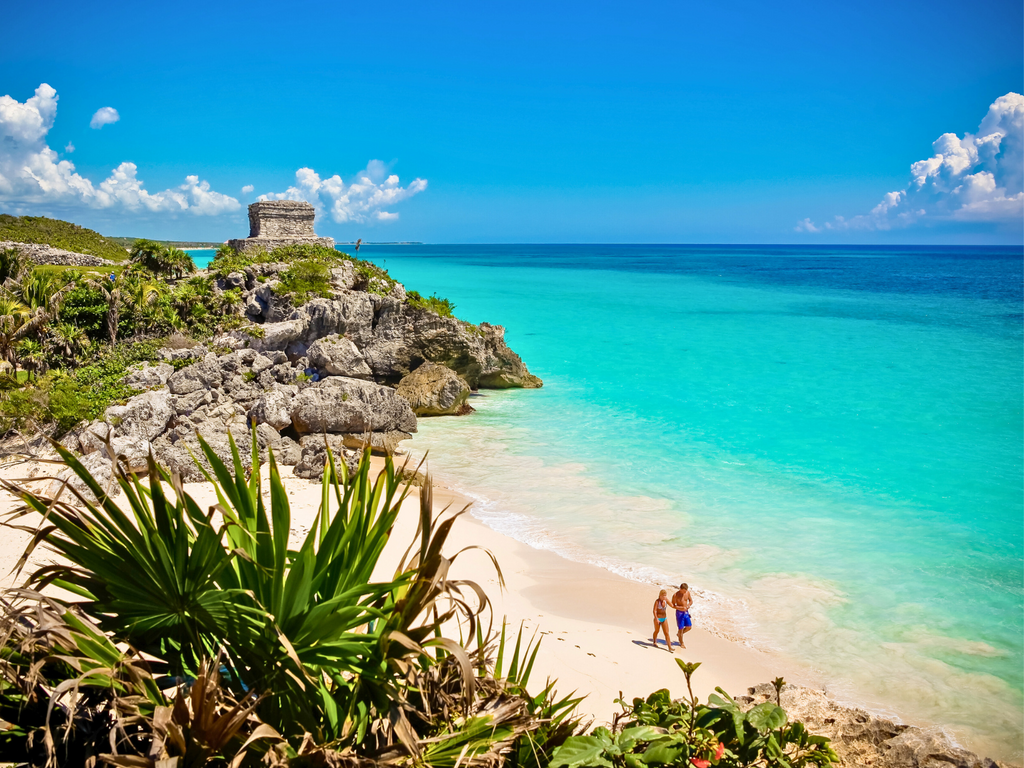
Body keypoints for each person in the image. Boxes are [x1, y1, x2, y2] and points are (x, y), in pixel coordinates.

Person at [671, 582, 694, 649]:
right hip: (679, 613)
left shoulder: (687, 593)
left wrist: (689, 605)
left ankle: (679, 634)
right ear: (680, 589)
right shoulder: (675, 595)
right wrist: (680, 608)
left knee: (689, 627)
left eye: (685, 591)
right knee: (680, 629)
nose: (685, 592)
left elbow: (691, 601)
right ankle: (681, 643)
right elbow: (673, 605)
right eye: (683, 591)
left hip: (686, 612)